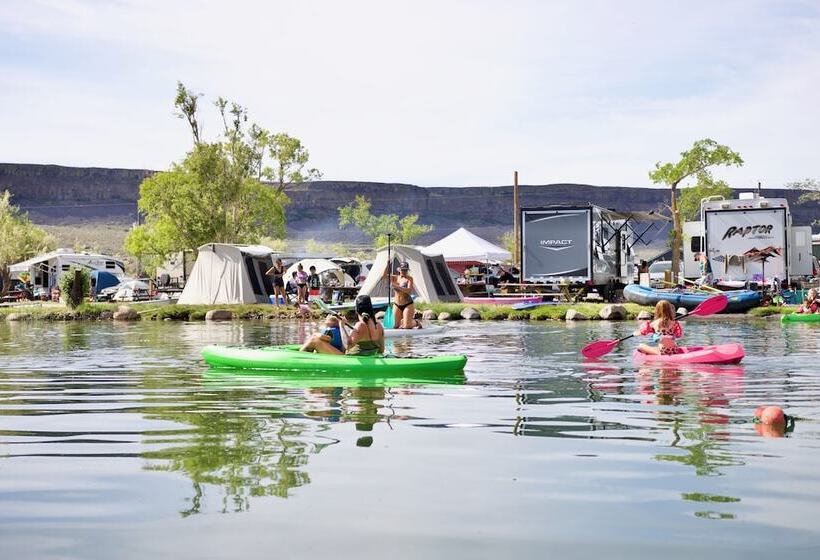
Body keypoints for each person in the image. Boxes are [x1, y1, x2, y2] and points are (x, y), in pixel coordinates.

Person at [301, 295, 385, 356]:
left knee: (313, 340)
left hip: (350, 360)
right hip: (368, 358)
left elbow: (347, 345)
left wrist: (342, 325)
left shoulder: (360, 325)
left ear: (356, 310)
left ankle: (298, 359)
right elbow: (381, 350)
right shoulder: (379, 326)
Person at [389, 261, 416, 329]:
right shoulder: (395, 278)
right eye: (403, 270)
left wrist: (397, 286)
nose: (404, 271)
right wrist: (387, 263)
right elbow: (383, 276)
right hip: (397, 304)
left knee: (407, 326)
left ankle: (415, 322)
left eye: (406, 270)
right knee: (395, 326)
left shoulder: (409, 279)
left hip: (408, 304)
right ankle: (404, 321)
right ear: (399, 270)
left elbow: (409, 291)